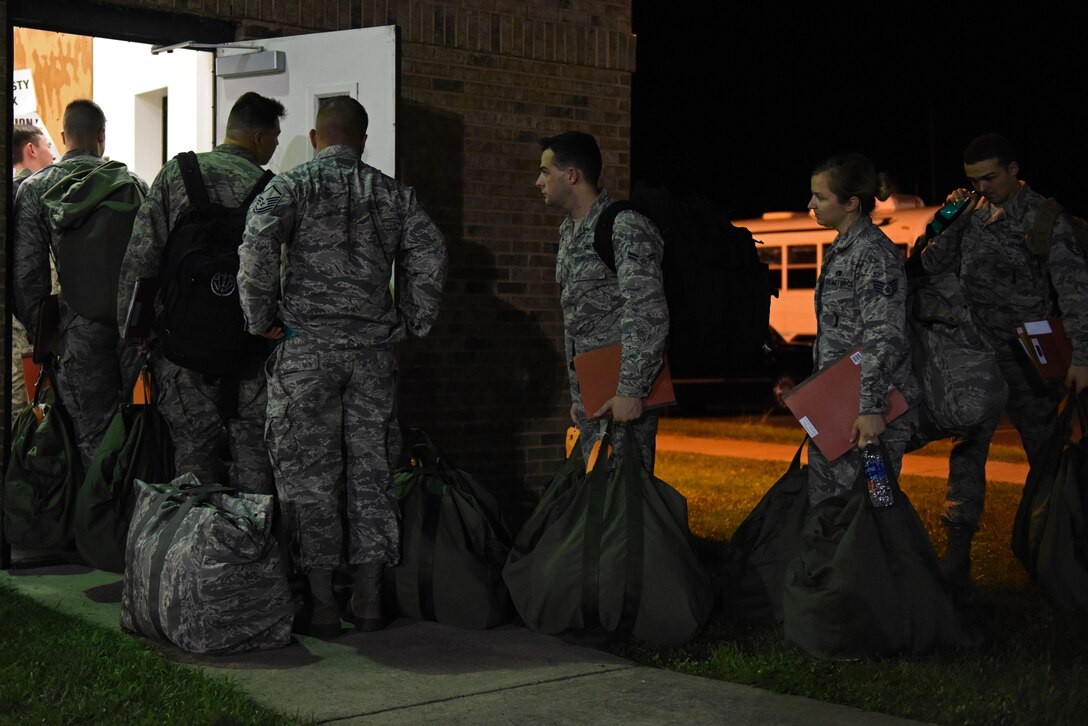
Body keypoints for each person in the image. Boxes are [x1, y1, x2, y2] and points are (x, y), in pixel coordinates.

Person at [238, 96, 448, 637]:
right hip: (372, 357)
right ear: (363, 140)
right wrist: (411, 321)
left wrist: (259, 316)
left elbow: (257, 243)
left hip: (306, 352)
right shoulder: (394, 194)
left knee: (310, 478)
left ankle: (322, 605)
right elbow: (430, 252)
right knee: (372, 473)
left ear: (314, 138)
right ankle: (370, 599)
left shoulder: (291, 187)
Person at [913, 133, 1088, 586]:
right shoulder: (972, 213)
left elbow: (1074, 292)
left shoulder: (1045, 218)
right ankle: (957, 553)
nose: (982, 186)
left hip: (1028, 358)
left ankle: (1057, 547)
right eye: (974, 180)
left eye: (990, 177)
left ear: (1013, 170)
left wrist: (1081, 358)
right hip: (976, 355)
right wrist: (949, 221)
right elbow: (930, 266)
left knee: (1045, 454)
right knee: (969, 449)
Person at [117, 91, 286, 494]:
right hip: (250, 355)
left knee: (192, 461)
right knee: (254, 463)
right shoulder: (274, 190)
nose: (278, 145)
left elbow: (140, 260)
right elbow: (286, 274)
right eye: (276, 137)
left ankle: (193, 551)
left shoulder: (178, 175)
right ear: (259, 137)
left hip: (181, 355)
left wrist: (138, 334)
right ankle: (251, 548)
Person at [13, 100, 148, 468]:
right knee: (126, 429)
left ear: (63, 137)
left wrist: (44, 337)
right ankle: (124, 516)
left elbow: (28, 276)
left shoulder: (35, 190)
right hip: (127, 331)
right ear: (102, 136)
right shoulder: (133, 183)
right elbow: (149, 263)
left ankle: (92, 520)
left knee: (86, 440)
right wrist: (144, 330)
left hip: (75, 335)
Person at [535, 131, 669, 473]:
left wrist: (632, 390)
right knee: (600, 501)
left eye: (545, 171)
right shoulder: (568, 230)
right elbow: (577, 317)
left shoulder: (624, 226)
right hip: (594, 395)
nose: (538, 182)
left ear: (571, 175)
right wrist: (580, 396)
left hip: (624, 396)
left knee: (626, 505)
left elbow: (647, 311)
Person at [806, 153, 920, 505]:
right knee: (830, 512)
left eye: (821, 197)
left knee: (868, 513)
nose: (811, 204)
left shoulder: (873, 253)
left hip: (864, 411)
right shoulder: (842, 248)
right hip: (838, 404)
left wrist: (871, 408)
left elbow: (884, 333)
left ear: (851, 203)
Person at [11, 124, 57, 418]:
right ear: (31, 150)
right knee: (26, 402)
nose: (53, 156)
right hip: (27, 323)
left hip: (22, 319)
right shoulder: (35, 195)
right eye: (48, 147)